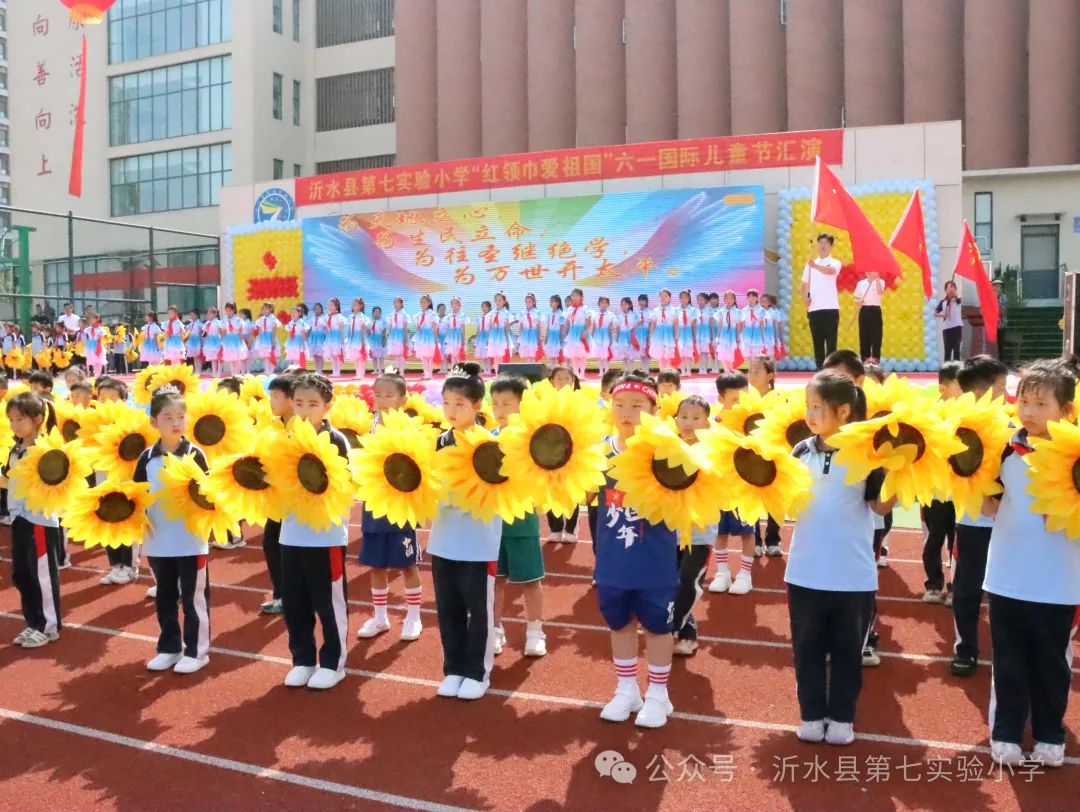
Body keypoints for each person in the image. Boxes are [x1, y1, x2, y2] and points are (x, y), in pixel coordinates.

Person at [786, 371, 896, 745]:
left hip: (852, 575)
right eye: (808, 406)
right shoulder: (800, 451)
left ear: (844, 411)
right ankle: (812, 715)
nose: (810, 414)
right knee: (807, 650)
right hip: (804, 572)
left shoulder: (867, 455)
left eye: (818, 407)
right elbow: (786, 503)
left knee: (848, 652)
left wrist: (901, 473)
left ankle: (843, 718)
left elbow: (879, 505)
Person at [981, 359, 1080, 768]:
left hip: (1057, 581)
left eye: (1041, 403)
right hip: (1006, 576)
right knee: (1008, 659)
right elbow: (989, 504)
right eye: (1024, 400)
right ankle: (1005, 732)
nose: (1028, 411)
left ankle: (1049, 734)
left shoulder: (1074, 455)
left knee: (1051, 663)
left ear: (1067, 412)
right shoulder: (1006, 447)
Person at [596, 372, 679, 728]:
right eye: (619, 405)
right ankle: (626, 688)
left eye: (636, 405)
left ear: (654, 409)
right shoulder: (598, 450)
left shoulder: (666, 450)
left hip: (654, 558)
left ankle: (659, 695)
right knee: (620, 623)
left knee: (658, 626)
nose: (626, 412)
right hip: (614, 558)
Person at [429, 363, 502, 700]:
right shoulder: (436, 441)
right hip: (443, 539)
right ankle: (453, 668)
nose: (452, 411)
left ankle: (478, 671)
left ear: (476, 406)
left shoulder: (489, 445)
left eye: (460, 404)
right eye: (447, 403)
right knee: (448, 609)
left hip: (477, 541)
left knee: (479, 610)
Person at [279, 374, 353, 690]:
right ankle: (303, 659)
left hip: (325, 538)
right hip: (291, 534)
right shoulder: (284, 439)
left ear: (327, 405)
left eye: (313, 404)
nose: (305, 410)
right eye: (299, 404)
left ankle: (334, 663)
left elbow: (342, 485)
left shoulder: (336, 440)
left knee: (328, 601)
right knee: (295, 602)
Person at [134, 386, 213, 674]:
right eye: (168, 417)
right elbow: (137, 494)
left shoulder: (195, 453)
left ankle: (197, 650)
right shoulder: (147, 457)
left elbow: (209, 494)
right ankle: (169, 646)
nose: (176, 422)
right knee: (165, 595)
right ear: (154, 422)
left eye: (181, 416)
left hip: (191, 540)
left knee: (194, 596)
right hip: (158, 540)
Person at [948, 354, 1008, 679]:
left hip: (1009, 526)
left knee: (1005, 593)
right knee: (967, 590)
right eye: (1001, 387)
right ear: (985, 391)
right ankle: (965, 648)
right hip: (972, 524)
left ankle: (1006, 650)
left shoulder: (1014, 428)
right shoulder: (955, 430)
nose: (1006, 394)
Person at [356, 372, 423, 642]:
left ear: (403, 399)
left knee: (407, 564)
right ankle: (380, 617)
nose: (382, 400)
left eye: (388, 395)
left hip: (400, 505)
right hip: (375, 504)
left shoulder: (409, 426)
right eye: (378, 394)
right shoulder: (372, 423)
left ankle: (413, 616)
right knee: (377, 565)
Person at [490, 374, 546, 658]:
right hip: (493, 523)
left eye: (507, 403)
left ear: (523, 405)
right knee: (495, 580)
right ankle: (495, 629)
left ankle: (535, 631)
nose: (500, 410)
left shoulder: (534, 440)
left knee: (530, 581)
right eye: (495, 403)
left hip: (522, 521)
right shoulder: (487, 440)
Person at [6, 392, 63, 649]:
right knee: (22, 574)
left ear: (38, 419)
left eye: (20, 419)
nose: (15, 425)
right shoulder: (16, 449)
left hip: (39, 519)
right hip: (18, 517)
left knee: (41, 574)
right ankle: (33, 621)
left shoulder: (44, 451)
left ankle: (48, 626)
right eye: (12, 420)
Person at [672, 395, 714, 656]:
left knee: (688, 581)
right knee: (670, 583)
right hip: (668, 532)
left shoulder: (713, 452)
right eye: (684, 417)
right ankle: (686, 632)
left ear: (707, 423)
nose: (688, 423)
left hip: (699, 533)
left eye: (696, 418)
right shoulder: (666, 447)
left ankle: (672, 628)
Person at [708, 372, 757, 595]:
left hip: (743, 488)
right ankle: (722, 572)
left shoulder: (752, 422)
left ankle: (745, 574)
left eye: (744, 398)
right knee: (719, 533)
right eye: (734, 400)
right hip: (718, 489)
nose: (740, 404)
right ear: (721, 399)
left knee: (747, 532)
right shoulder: (712, 423)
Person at [258, 374, 296, 615]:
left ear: (291, 400)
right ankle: (281, 595)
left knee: (284, 550)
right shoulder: (274, 426)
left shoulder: (299, 427)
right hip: (275, 501)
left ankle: (288, 597)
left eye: (275, 396)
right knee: (272, 546)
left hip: (294, 504)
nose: (271, 401)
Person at [544, 365, 582, 542]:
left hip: (574, 452)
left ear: (573, 381)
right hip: (550, 452)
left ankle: (571, 529)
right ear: (552, 382)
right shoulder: (546, 400)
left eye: (567, 378)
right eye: (559, 379)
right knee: (551, 490)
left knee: (571, 491)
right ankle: (555, 528)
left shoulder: (580, 400)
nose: (564, 382)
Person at [801, 233, 842, 369]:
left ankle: (831, 371)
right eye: (820, 243)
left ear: (831, 246)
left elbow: (830, 271)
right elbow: (804, 284)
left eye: (826, 243)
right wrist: (805, 298)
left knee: (831, 344)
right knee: (817, 343)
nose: (823, 246)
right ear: (817, 245)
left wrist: (815, 266)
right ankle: (820, 371)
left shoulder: (835, 262)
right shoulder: (810, 264)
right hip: (814, 309)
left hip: (830, 308)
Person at [854, 272, 885, 363]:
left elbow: (880, 292)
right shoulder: (861, 283)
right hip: (864, 310)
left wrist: (877, 278)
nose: (870, 272)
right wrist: (858, 302)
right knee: (864, 336)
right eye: (868, 270)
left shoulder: (881, 282)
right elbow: (856, 298)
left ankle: (876, 362)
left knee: (876, 337)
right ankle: (865, 361)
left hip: (875, 310)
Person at [562, 289, 590, 380]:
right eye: (572, 295)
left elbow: (588, 321)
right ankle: (575, 374)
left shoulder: (585, 309)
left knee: (583, 355)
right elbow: (567, 323)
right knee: (574, 355)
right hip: (573, 334)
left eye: (576, 295)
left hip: (582, 333)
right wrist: (565, 334)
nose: (574, 297)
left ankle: (582, 374)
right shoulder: (569, 309)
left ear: (581, 297)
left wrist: (585, 331)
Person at [412, 294, 441, 380]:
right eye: (421, 302)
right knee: (423, 356)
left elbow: (435, 326)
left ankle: (430, 374)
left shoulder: (432, 314)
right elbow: (418, 327)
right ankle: (425, 374)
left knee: (430, 356)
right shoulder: (418, 315)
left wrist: (436, 337)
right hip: (421, 336)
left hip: (429, 336)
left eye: (424, 302)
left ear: (429, 302)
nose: (422, 304)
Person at [648, 289, 678, 372]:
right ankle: (662, 373)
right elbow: (653, 324)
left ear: (669, 298)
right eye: (661, 296)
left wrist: (676, 335)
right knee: (660, 356)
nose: (663, 298)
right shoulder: (656, 310)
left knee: (668, 355)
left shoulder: (674, 310)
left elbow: (676, 324)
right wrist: (651, 336)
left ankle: (668, 373)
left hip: (668, 334)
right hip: (658, 335)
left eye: (665, 296)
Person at [935, 281, 963, 362]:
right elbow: (935, 313)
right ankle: (947, 371)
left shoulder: (958, 299)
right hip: (947, 329)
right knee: (947, 350)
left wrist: (954, 295)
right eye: (948, 287)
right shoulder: (943, 302)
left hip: (957, 328)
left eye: (952, 287)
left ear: (955, 289)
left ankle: (956, 371)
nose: (950, 289)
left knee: (956, 350)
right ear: (945, 290)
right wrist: (943, 315)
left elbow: (958, 300)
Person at [674, 289, 698, 379]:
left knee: (688, 353)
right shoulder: (676, 310)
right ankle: (683, 371)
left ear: (689, 298)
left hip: (688, 333)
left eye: (685, 297)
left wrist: (694, 335)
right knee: (681, 353)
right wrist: (675, 335)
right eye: (681, 298)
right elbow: (675, 323)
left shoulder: (693, 310)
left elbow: (694, 324)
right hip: (679, 332)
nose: (683, 299)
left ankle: (688, 371)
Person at [613, 297, 640, 371]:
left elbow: (636, 326)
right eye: (622, 305)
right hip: (622, 337)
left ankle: (631, 372)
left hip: (631, 336)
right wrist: (617, 338)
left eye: (625, 304)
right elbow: (618, 327)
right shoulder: (619, 316)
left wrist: (634, 336)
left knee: (631, 357)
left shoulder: (634, 315)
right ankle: (625, 372)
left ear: (630, 305)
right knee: (624, 357)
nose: (623, 306)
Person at [344, 298, 369, 380]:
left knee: (360, 357)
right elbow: (349, 329)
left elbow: (363, 330)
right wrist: (348, 339)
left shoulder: (363, 317)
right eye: (353, 304)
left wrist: (363, 342)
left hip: (359, 338)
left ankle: (361, 374)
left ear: (361, 306)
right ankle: (357, 373)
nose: (354, 306)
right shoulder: (350, 316)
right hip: (352, 338)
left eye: (356, 304)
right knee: (355, 357)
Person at [590, 296, 614, 378]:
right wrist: (591, 337)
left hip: (605, 335)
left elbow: (610, 328)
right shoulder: (595, 314)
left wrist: (610, 338)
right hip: (597, 335)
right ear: (598, 304)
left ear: (608, 304)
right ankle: (600, 371)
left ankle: (606, 371)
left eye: (605, 303)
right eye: (602, 302)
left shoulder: (610, 315)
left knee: (605, 355)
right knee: (599, 356)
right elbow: (593, 326)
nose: (603, 304)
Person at [386, 297, 411, 374]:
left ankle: (402, 371)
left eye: (397, 302)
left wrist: (405, 337)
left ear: (401, 303)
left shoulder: (404, 314)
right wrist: (388, 334)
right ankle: (397, 370)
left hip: (401, 334)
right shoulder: (392, 313)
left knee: (401, 354)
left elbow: (405, 326)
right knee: (396, 354)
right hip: (393, 335)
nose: (395, 304)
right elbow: (390, 325)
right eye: (394, 303)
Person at [325, 298, 346, 377]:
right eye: (328, 305)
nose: (329, 306)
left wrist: (342, 338)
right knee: (332, 355)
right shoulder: (327, 316)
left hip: (337, 337)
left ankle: (338, 371)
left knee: (337, 354)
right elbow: (326, 328)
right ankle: (334, 371)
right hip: (330, 337)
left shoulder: (339, 316)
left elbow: (341, 329)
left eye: (331, 305)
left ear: (336, 306)